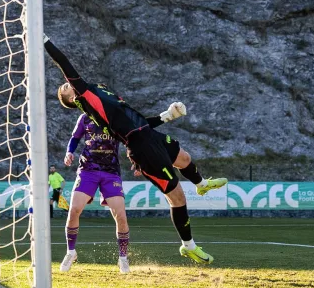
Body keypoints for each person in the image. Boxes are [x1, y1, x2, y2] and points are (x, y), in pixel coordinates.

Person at [43, 35, 227, 264]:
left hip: (148, 135)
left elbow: (135, 121)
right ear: (73, 99)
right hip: (143, 149)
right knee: (177, 197)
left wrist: (166, 116)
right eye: (65, 87)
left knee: (184, 158)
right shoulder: (85, 97)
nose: (68, 83)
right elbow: (63, 62)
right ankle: (188, 246)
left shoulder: (99, 91)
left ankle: (201, 185)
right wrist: (44, 40)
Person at [60, 104, 186, 274]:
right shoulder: (84, 118)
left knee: (120, 216)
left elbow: (138, 132)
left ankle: (123, 258)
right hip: (87, 170)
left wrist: (137, 162)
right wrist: (69, 152)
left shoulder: (115, 120)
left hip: (110, 172)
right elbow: (75, 138)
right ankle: (70, 252)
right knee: (74, 209)